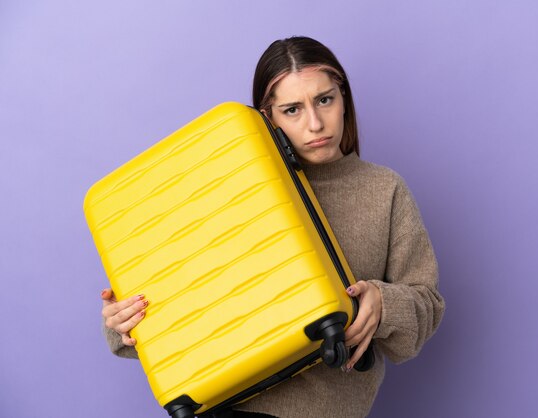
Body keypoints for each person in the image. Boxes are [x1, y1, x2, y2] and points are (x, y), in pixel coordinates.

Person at [101, 36, 445, 418]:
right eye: (292, 109)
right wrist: (124, 324)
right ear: (268, 117)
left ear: (343, 97)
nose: (315, 123)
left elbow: (426, 304)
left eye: (325, 100)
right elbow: (188, 296)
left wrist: (384, 303)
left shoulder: (385, 190)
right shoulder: (223, 184)